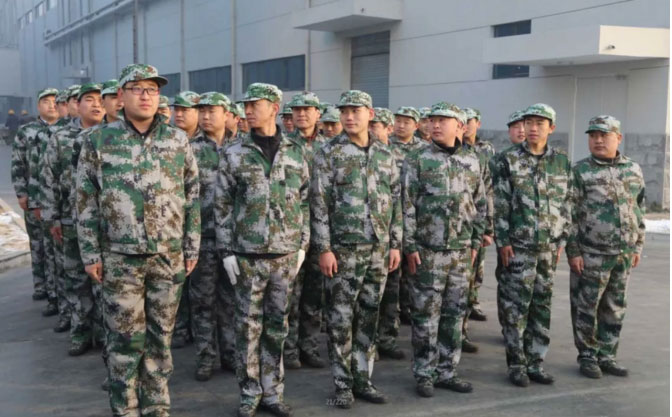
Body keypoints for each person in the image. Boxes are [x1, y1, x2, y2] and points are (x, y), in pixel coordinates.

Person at [76, 64, 200, 417]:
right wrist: (90, 253)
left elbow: (192, 195)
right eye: (137, 89)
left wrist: (191, 246)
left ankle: (157, 406)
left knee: (161, 339)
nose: (146, 96)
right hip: (120, 258)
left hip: (167, 256)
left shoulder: (176, 140)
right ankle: (125, 408)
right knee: (125, 341)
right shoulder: (98, 141)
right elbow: (85, 200)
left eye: (152, 89)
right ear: (121, 95)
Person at [215, 83, 309, 417]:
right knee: (248, 328)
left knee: (277, 327)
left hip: (284, 255)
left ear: (274, 107)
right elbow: (222, 205)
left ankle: (272, 392)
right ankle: (249, 392)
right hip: (248, 256)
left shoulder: (296, 151)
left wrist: (303, 244)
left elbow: (305, 200)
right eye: (246, 105)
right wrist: (226, 251)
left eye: (255, 104)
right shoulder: (234, 153)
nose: (248, 110)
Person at [312, 90, 402, 408]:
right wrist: (324, 248)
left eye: (356, 111)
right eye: (345, 111)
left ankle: (363, 379)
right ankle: (342, 384)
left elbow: (396, 201)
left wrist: (395, 244)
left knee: (368, 315)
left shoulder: (385, 154)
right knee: (340, 318)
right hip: (343, 249)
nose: (349, 117)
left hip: (378, 249)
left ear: (370, 114)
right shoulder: (328, 152)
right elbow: (318, 204)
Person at [402, 102, 486, 398]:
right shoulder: (417, 159)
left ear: (460, 126)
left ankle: (447, 371)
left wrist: (475, 241)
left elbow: (480, 204)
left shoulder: (472, 160)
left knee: (454, 315)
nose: (435, 125)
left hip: (460, 253)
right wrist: (410, 244)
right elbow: (406, 204)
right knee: (426, 317)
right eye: (433, 120)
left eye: (443, 120)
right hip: (428, 252)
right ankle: (424, 373)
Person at [492, 103, 571, 387]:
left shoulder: (561, 161)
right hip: (518, 248)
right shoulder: (507, 160)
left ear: (551, 127)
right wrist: (503, 240)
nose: (533, 128)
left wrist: (562, 238)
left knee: (541, 306)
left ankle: (536, 362)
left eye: (539, 123)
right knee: (516, 309)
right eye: (529, 123)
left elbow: (567, 202)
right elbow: (499, 204)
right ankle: (517, 365)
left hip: (548, 249)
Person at [567, 115, 645, 379]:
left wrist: (637, 246)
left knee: (615, 307)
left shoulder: (633, 169)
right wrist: (574, 251)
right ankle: (588, 356)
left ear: (618, 138)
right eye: (593, 136)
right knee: (586, 308)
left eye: (604, 135)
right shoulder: (580, 171)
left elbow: (639, 208)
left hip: (623, 254)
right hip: (591, 254)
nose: (598, 140)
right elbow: (569, 215)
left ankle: (607, 355)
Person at [42, 82, 106, 355]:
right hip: (70, 221)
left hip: (104, 224)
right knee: (76, 279)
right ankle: (80, 332)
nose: (96, 104)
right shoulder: (61, 138)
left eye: (100, 99)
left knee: (104, 283)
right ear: (76, 105)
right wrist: (52, 218)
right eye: (89, 99)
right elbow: (49, 178)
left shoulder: (111, 136)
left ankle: (104, 334)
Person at [189, 91, 234, 381]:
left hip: (234, 241)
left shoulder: (241, 148)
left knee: (231, 301)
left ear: (226, 114)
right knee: (202, 301)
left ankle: (230, 354)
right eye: (202, 111)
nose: (205, 117)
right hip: (202, 238)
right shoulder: (189, 149)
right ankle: (205, 357)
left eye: (212, 111)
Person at [284, 91, 328, 370]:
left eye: (307, 109)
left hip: (320, 229)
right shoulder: (285, 145)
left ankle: (309, 346)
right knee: (291, 294)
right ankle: (289, 350)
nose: (301, 114)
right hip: (293, 229)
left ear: (317, 113)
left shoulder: (329, 147)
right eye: (297, 110)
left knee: (314, 293)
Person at [11, 88, 59, 304]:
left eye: (55, 101)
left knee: (55, 248)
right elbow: (17, 163)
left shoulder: (65, 129)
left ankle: (56, 288)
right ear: (38, 106)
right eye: (46, 101)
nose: (51, 105)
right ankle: (41, 285)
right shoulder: (26, 131)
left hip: (56, 200)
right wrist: (21, 193)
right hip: (34, 197)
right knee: (38, 245)